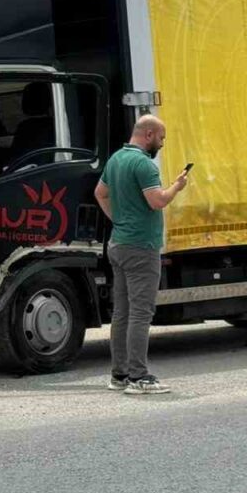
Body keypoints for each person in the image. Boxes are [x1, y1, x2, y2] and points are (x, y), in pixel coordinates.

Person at [94, 115, 188, 394]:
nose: (162, 143)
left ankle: (119, 375)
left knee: (122, 312)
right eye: (161, 138)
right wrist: (177, 186)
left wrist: (119, 220)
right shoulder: (144, 164)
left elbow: (100, 193)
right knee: (140, 313)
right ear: (148, 134)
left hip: (118, 244)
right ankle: (139, 377)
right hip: (141, 247)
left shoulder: (116, 159)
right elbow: (157, 200)